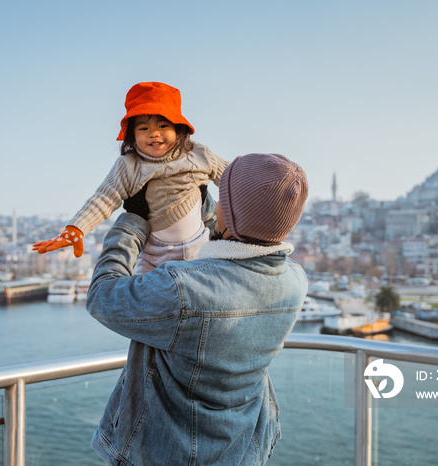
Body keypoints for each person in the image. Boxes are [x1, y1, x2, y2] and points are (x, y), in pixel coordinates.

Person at [86, 153, 309, 465]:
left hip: (169, 453)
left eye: (222, 200)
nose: (216, 202)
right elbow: (225, 250)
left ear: (230, 217)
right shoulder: (294, 281)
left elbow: (101, 295)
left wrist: (132, 220)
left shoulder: (182, 289)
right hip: (243, 448)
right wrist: (194, 201)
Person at [32, 81, 229, 274]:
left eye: (162, 125)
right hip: (155, 256)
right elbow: (104, 198)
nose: (154, 133)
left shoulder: (198, 154)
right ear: (132, 136)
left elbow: (233, 179)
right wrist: (76, 229)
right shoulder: (129, 165)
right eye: (143, 128)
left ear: (178, 129)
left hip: (202, 249)